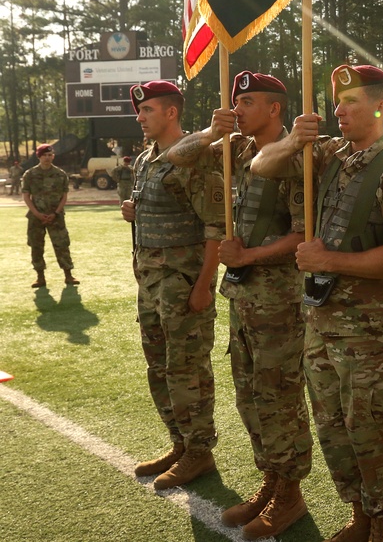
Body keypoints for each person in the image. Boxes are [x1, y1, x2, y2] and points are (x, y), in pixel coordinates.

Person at [251, 64, 383, 542]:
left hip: (368, 327)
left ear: (381, 105)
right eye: (337, 102)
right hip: (321, 318)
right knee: (332, 427)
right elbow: (260, 166)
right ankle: (359, 514)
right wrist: (293, 140)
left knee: (370, 427)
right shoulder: (327, 154)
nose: (339, 110)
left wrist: (332, 259)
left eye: (351, 101)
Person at [167, 71, 311, 539]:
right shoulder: (237, 150)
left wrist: (249, 254)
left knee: (279, 397)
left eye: (248, 101)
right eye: (236, 101)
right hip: (244, 295)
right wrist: (212, 130)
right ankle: (269, 479)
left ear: (275, 109)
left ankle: (290, 492)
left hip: (279, 298)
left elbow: (303, 232)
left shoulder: (296, 157)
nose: (239, 108)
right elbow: (177, 158)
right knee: (250, 397)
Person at [120, 80, 226, 491]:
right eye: (139, 110)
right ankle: (180, 442)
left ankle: (200, 451)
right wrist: (134, 210)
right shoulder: (146, 159)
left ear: (171, 113)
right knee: (159, 365)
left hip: (182, 283)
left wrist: (204, 285)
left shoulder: (195, 157)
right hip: (150, 280)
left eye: (147, 110)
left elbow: (216, 227)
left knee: (188, 368)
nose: (140, 117)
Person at [21, 144, 78, 288]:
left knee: (62, 245)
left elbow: (64, 196)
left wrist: (56, 213)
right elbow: (26, 196)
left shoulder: (60, 174)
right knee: (36, 246)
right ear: (39, 156)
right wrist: (37, 214)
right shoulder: (30, 174)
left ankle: (68, 275)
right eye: (44, 155)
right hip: (36, 217)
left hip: (56, 216)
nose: (47, 158)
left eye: (50, 155)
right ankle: (40, 277)